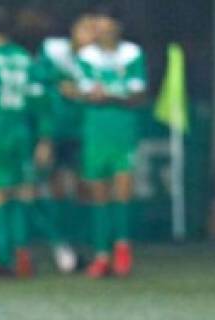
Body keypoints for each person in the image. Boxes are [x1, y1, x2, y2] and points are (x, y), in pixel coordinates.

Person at [0, 7, 50, 277]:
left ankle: (3, 258)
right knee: (22, 193)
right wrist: (44, 139)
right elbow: (40, 101)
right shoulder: (25, 58)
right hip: (23, 133)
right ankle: (23, 253)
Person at [71, 6, 146, 278]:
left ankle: (123, 247)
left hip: (123, 129)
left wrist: (109, 96)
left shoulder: (132, 53)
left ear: (117, 27)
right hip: (95, 130)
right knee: (99, 192)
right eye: (98, 25)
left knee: (123, 188)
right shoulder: (86, 56)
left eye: (107, 25)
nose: (102, 30)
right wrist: (112, 94)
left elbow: (138, 96)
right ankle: (102, 255)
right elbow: (86, 93)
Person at [27, 10, 90, 273]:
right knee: (45, 190)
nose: (93, 35)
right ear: (74, 29)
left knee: (82, 189)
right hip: (50, 133)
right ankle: (59, 246)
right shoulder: (53, 51)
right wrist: (45, 137)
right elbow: (37, 82)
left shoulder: (94, 60)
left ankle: (83, 246)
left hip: (80, 132)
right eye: (88, 28)